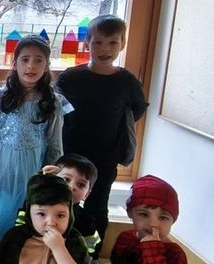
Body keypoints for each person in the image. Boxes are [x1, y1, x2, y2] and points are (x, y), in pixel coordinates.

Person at [0, 34, 70, 238]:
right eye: (25, 59)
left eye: (39, 60)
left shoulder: (52, 102)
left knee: (20, 209)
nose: (31, 66)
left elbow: (55, 143)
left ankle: (13, 251)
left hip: (31, 166)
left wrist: (50, 172)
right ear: (15, 64)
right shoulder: (0, 96)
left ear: (47, 65)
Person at [56, 15, 148, 245]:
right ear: (87, 43)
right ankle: (62, 249)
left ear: (122, 44)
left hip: (105, 159)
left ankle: (91, 253)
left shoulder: (127, 82)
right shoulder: (70, 78)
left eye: (113, 42)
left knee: (97, 205)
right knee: (63, 202)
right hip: (70, 155)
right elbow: (54, 108)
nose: (105, 49)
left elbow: (136, 110)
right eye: (98, 42)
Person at [42, 154, 101, 264]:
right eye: (66, 179)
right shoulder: (37, 206)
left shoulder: (86, 220)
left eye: (81, 185)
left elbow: (90, 247)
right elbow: (22, 228)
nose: (71, 186)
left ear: (87, 194)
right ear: (52, 179)